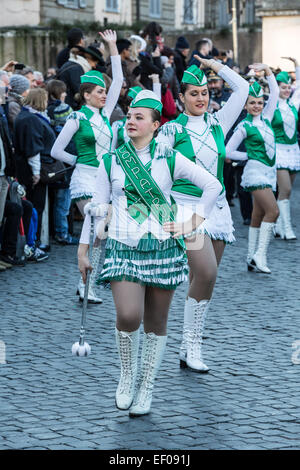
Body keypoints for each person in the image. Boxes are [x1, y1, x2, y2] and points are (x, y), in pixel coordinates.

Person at [78, 90, 222, 416]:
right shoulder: (111, 160)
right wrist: (83, 250)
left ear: (155, 125)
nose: (130, 120)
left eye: (138, 117)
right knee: (129, 315)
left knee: (156, 321)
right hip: (123, 245)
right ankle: (127, 375)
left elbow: (213, 185)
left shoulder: (169, 157)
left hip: (163, 247)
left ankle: (147, 386)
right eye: (129, 116)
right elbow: (97, 210)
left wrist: (193, 222)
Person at [157, 56, 248, 373]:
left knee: (202, 279)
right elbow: (157, 173)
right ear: (181, 97)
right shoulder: (170, 131)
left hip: (218, 210)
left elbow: (244, 87)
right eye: (193, 93)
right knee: (207, 272)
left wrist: (215, 66)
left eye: (205, 93)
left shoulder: (218, 123)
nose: (200, 98)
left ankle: (189, 346)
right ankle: (190, 345)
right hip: (185, 210)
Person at [51, 30, 123, 303]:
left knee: (100, 235)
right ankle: (86, 284)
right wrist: (77, 160)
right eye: (100, 92)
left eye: (105, 92)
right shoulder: (76, 118)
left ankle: (86, 282)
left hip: (104, 181)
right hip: (84, 179)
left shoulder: (105, 115)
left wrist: (112, 47)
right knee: (95, 229)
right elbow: (56, 150)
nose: (105, 95)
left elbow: (118, 81)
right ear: (87, 95)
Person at [226, 64, 279, 273]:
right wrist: (248, 155)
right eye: (252, 103)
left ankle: (250, 257)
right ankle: (260, 256)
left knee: (258, 215)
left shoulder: (266, 118)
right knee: (273, 211)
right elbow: (227, 151)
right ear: (245, 105)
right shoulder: (243, 126)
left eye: (259, 102)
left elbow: (274, 92)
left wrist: (268, 71)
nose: (257, 106)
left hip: (269, 172)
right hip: (255, 172)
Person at [13, 88, 56, 253]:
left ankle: (33, 242)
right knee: (34, 207)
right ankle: (33, 243)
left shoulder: (25, 116)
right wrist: (36, 172)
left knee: (33, 207)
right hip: (31, 171)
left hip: (26, 168)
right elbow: (33, 149)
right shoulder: (30, 119)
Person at [46, 79, 78, 245]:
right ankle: (62, 233)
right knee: (63, 200)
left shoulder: (47, 109)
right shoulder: (64, 109)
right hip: (64, 161)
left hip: (52, 161)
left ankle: (59, 232)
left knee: (58, 200)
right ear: (60, 92)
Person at [272, 57, 300, 240]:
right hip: (278, 151)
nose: (287, 90)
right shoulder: (271, 106)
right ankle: (287, 228)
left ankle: (276, 224)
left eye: (289, 87)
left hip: (293, 150)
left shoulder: (294, 104)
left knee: (284, 192)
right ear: (277, 89)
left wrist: (296, 65)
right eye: (283, 87)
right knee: (287, 189)